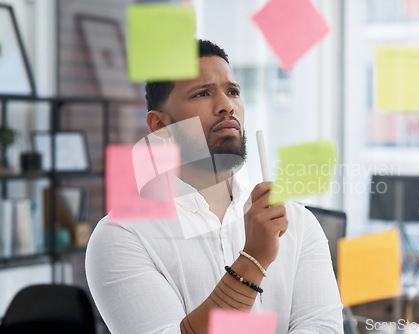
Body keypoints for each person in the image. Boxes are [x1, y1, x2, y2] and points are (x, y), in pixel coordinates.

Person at [86, 39, 343, 334]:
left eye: (233, 92)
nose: (226, 106)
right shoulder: (123, 237)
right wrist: (254, 259)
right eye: (202, 93)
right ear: (160, 126)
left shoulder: (297, 223)